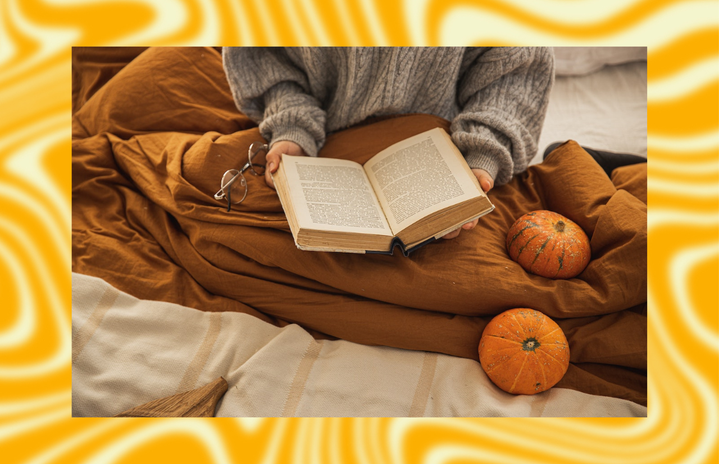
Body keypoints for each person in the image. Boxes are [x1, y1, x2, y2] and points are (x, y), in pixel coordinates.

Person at [222, 47, 554, 239]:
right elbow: (263, 56)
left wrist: (481, 156)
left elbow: (515, 70)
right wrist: (291, 125)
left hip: (450, 148)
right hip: (320, 139)